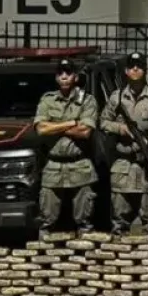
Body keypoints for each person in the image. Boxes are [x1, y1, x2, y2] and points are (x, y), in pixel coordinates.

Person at [99, 52, 148, 240]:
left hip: (146, 167)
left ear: (146, 70)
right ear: (126, 71)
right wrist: (120, 128)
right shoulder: (116, 98)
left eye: (139, 66)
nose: (135, 69)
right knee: (119, 221)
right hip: (122, 166)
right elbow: (103, 122)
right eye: (132, 66)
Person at [33, 57, 99, 237]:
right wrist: (70, 122)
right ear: (56, 77)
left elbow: (85, 131)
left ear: (75, 77)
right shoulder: (48, 100)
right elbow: (40, 129)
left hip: (80, 164)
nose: (64, 76)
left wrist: (54, 126)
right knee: (47, 219)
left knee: (84, 220)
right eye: (60, 73)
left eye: (68, 72)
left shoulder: (87, 100)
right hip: (53, 165)